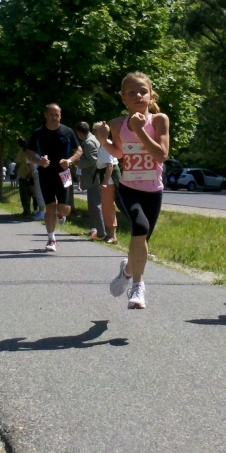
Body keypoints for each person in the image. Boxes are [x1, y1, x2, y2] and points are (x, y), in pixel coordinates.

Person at [97, 71, 169, 310]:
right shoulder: (117, 124)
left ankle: (127, 271)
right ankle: (138, 287)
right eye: (132, 92)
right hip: (128, 188)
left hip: (153, 190)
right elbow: (119, 153)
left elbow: (161, 155)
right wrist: (103, 140)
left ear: (151, 96)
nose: (138, 95)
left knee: (142, 240)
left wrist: (140, 130)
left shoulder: (159, 121)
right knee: (140, 226)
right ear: (123, 98)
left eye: (143, 91)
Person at [26, 104, 82, 252]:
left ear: (60, 116)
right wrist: (39, 161)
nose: (54, 117)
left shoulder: (67, 131)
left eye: (57, 115)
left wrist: (69, 161)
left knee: (65, 209)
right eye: (51, 114)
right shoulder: (38, 133)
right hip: (46, 173)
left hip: (64, 173)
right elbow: (28, 153)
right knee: (50, 206)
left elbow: (79, 150)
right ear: (46, 115)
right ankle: (51, 239)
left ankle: (60, 214)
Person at [75, 122, 105, 240]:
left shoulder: (89, 142)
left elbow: (92, 160)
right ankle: (94, 229)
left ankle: (101, 232)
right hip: (92, 178)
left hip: (94, 178)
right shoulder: (91, 139)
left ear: (79, 132)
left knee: (96, 205)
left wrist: (78, 163)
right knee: (92, 205)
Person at [93, 120, 119, 243]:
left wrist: (105, 182)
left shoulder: (106, 145)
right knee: (106, 206)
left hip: (109, 181)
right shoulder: (104, 145)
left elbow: (109, 165)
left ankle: (112, 236)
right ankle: (109, 234)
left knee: (108, 207)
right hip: (107, 179)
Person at [14, 138, 32, 216]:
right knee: (28, 193)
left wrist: (15, 170)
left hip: (22, 175)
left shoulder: (21, 151)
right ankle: (29, 209)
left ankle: (26, 210)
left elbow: (18, 163)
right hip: (29, 174)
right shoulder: (29, 150)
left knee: (24, 194)